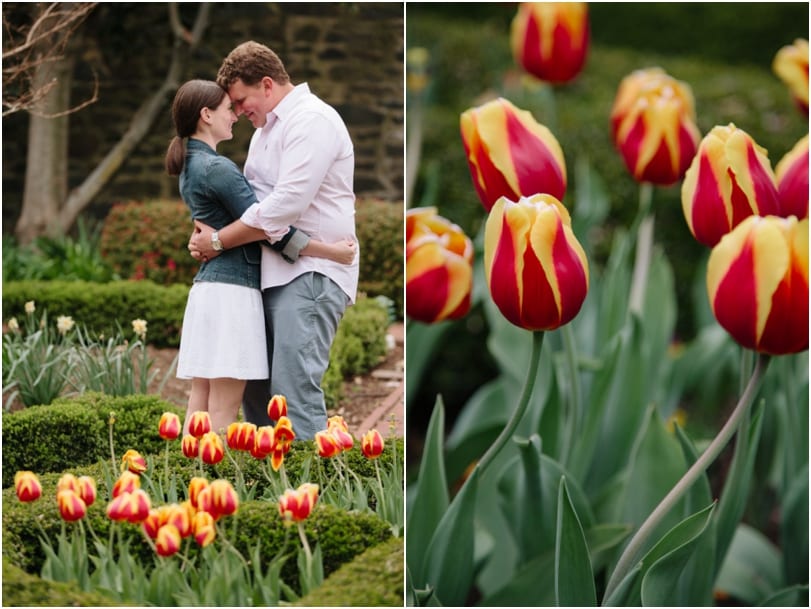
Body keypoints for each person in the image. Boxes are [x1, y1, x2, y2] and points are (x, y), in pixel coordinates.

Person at [188, 41, 359, 440]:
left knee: (292, 392)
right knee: (259, 397)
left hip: (310, 275)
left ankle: (313, 494)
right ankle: (269, 498)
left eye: (241, 99)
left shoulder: (312, 120)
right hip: (270, 273)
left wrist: (218, 241)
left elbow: (283, 206)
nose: (239, 110)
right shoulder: (267, 130)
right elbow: (253, 204)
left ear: (267, 84)